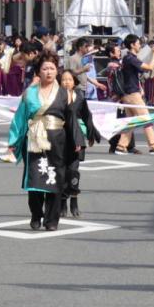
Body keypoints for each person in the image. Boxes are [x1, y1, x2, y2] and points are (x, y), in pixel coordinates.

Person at [8, 53, 83, 231]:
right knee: (35, 178)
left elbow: (71, 119)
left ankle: (52, 220)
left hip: (58, 141)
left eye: (52, 68)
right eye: (45, 69)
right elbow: (20, 117)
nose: (49, 72)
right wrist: (13, 140)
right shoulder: (29, 94)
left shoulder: (65, 94)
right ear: (38, 72)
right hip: (34, 139)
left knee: (55, 178)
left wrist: (77, 140)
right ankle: (36, 214)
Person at [59, 68, 99, 218]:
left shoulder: (80, 97)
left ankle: (74, 199)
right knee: (62, 171)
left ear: (74, 81)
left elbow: (87, 116)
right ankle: (62, 201)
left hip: (77, 138)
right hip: (61, 137)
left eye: (69, 79)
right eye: (63, 79)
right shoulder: (56, 97)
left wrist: (91, 133)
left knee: (73, 170)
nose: (66, 82)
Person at [116, 34, 154, 154]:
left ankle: (121, 146)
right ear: (132, 45)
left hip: (128, 93)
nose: (139, 46)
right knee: (146, 118)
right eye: (138, 43)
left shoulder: (128, 58)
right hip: (132, 94)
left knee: (132, 121)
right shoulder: (130, 59)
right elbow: (149, 67)